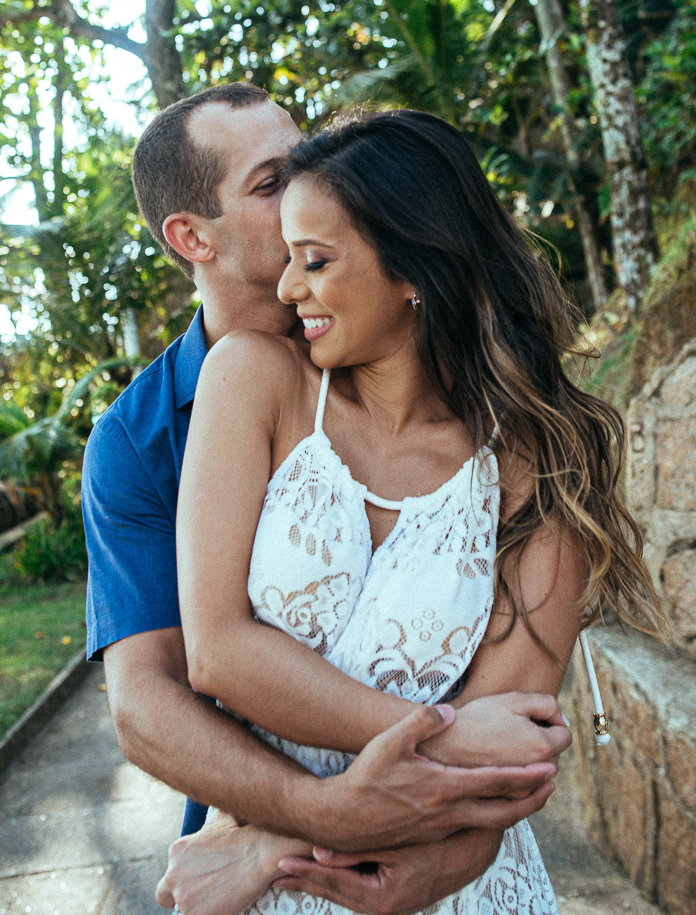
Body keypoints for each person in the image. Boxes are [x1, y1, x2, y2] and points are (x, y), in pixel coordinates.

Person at [82, 85, 571, 915]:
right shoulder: (145, 438)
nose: (313, 183)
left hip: (446, 863)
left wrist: (435, 848)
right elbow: (152, 698)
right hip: (254, 837)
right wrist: (306, 822)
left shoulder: (521, 442)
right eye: (273, 182)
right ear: (192, 236)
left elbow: (514, 742)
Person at [164, 109, 663, 915]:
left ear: (413, 269)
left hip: (449, 883)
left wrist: (270, 841)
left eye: (315, 261)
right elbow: (218, 653)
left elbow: (505, 771)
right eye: (290, 258)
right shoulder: (253, 381)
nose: (289, 290)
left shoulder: (544, 466)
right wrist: (447, 731)